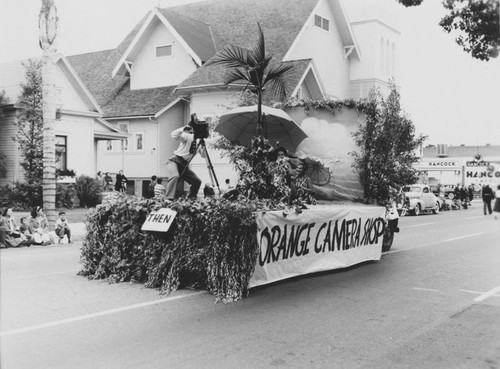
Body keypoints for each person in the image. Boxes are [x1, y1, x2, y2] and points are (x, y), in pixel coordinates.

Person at [165, 125, 202, 200]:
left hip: (184, 165)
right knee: (175, 176)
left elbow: (204, 156)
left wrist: (203, 147)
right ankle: (168, 199)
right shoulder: (188, 136)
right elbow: (174, 135)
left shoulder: (200, 143)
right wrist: (183, 129)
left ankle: (191, 198)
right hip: (174, 161)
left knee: (197, 181)